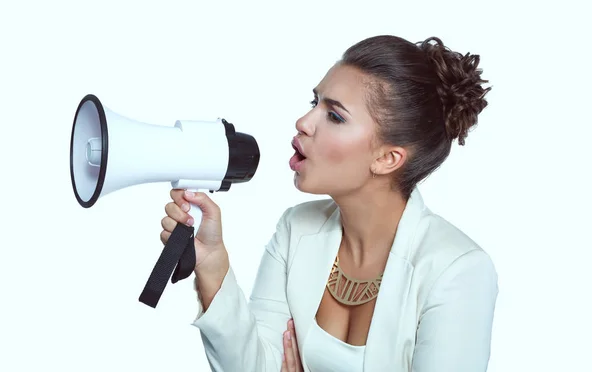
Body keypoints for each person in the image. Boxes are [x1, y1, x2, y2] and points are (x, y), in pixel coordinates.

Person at [160, 35, 499, 372]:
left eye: (335, 116)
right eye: (314, 103)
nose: (304, 123)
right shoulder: (296, 229)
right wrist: (212, 265)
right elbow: (255, 366)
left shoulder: (456, 270)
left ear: (387, 158)